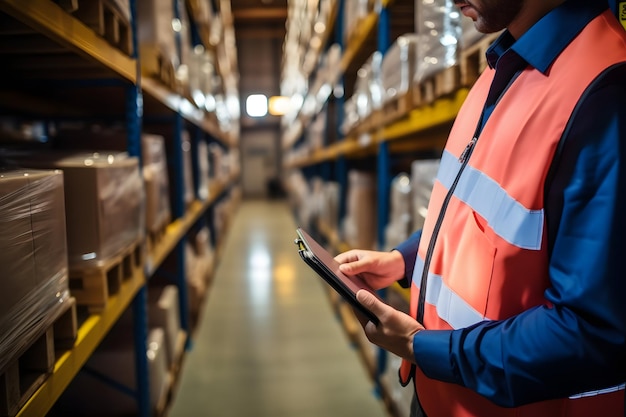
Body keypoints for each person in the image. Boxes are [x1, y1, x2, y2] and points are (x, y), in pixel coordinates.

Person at [334, 0, 626, 416]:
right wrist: (404, 260)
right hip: (444, 393)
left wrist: (424, 348)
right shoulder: (502, 65)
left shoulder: (603, 94)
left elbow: (591, 332)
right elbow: (477, 214)